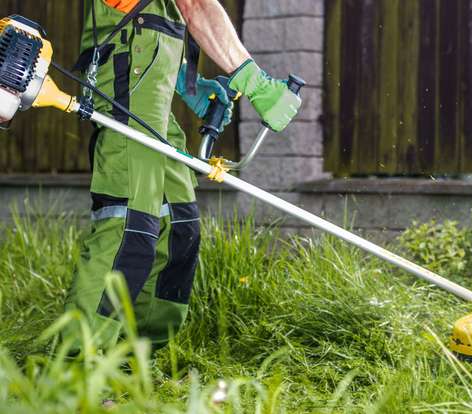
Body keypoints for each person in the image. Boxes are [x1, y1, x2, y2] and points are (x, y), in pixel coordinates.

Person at [63, 0, 301, 351]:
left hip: (149, 95)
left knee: (178, 225)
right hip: (127, 90)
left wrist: (189, 86)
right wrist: (257, 84)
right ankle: (73, 372)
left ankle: (133, 359)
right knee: (129, 227)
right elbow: (196, 6)